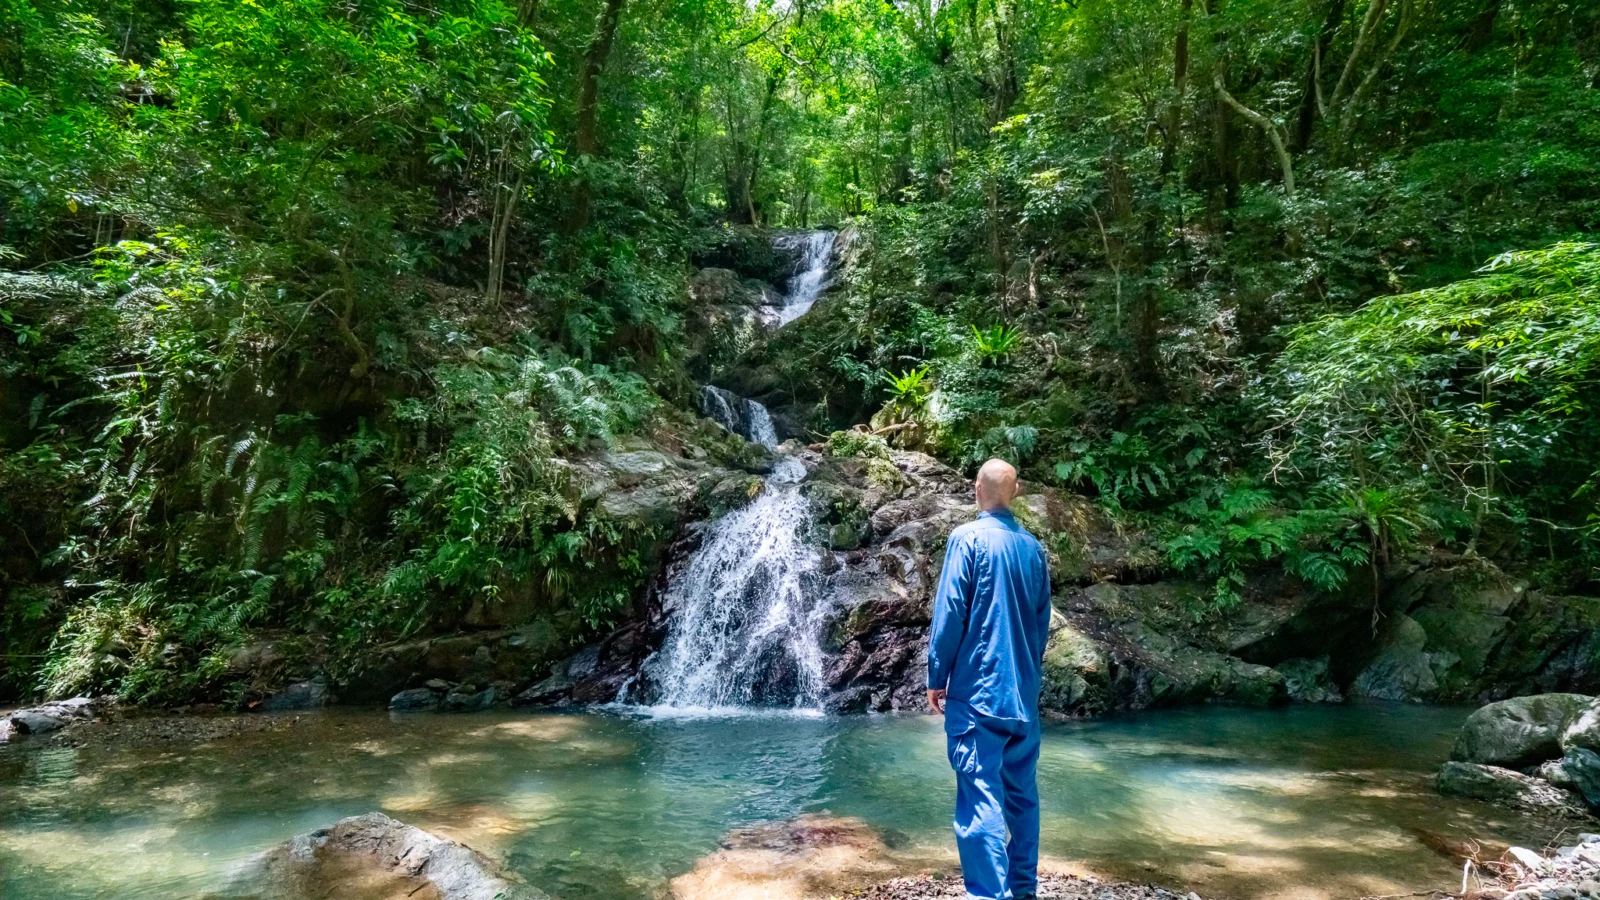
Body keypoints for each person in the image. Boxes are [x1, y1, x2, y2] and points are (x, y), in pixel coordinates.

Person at [927, 458, 1054, 900]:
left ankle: (987, 895)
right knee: (1021, 799)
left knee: (980, 799)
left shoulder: (966, 540)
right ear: (1014, 492)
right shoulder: (1034, 549)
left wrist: (936, 676)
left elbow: (950, 616)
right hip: (1022, 695)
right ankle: (1024, 892)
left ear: (976, 489)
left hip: (978, 695)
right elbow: (1040, 625)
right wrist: (1027, 676)